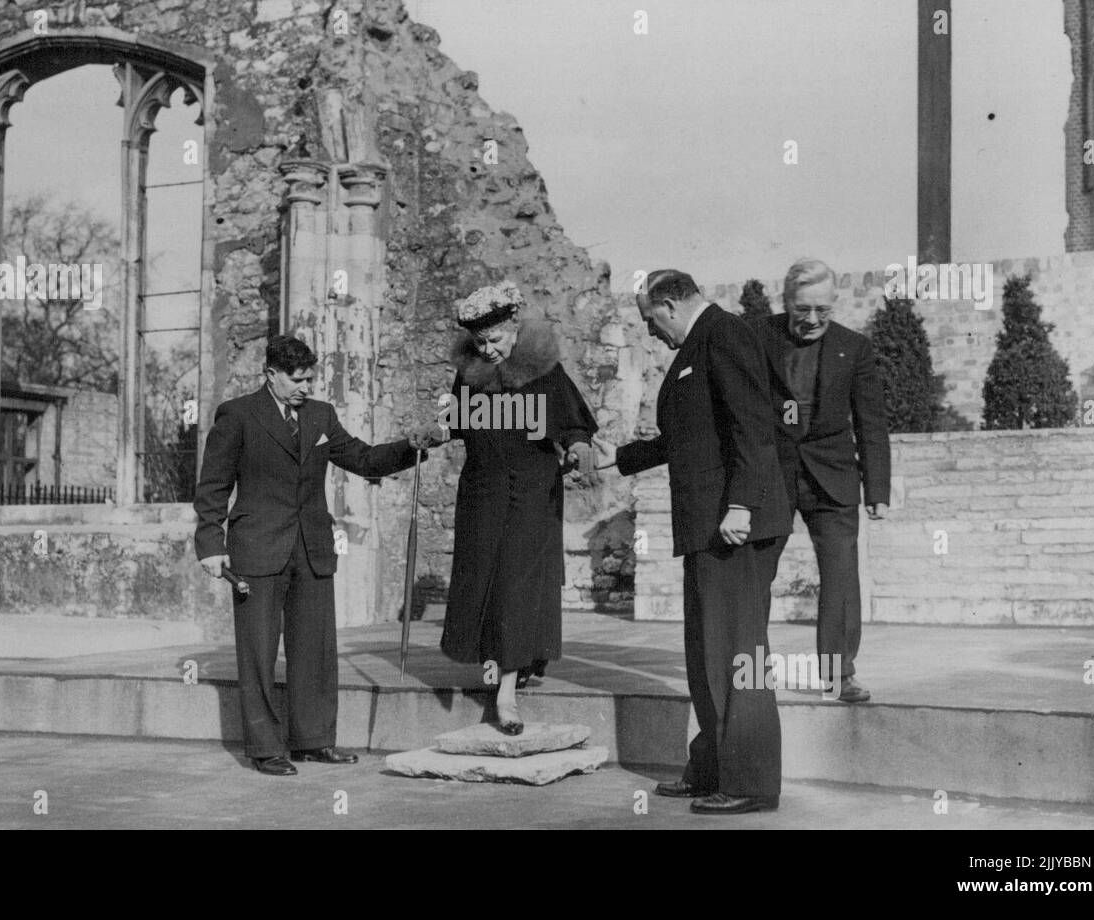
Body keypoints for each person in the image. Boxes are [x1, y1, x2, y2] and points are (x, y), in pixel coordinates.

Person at [194, 335, 441, 776]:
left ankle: (313, 741)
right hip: (257, 549)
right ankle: (266, 748)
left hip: (311, 549)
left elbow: (365, 460)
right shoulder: (238, 415)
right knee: (258, 653)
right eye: (296, 378)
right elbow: (213, 485)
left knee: (315, 650)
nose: (305, 386)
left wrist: (412, 444)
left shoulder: (322, 415)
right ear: (271, 374)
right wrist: (211, 545)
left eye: (310, 378)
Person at [594, 269, 792, 815]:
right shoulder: (699, 345)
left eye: (649, 320)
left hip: (734, 524)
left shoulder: (723, 334)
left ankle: (751, 781)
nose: (649, 332)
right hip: (709, 527)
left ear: (669, 303)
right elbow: (694, 434)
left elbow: (753, 425)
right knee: (708, 652)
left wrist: (743, 504)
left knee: (737, 653)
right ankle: (712, 769)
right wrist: (624, 457)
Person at [438, 281, 598, 735]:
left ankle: (505, 696)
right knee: (486, 581)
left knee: (517, 585)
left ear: (514, 328)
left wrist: (578, 446)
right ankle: (508, 663)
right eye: (480, 342)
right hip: (482, 493)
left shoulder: (545, 370)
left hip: (531, 492)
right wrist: (432, 431)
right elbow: (454, 423)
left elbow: (573, 424)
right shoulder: (470, 372)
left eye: (496, 339)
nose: (489, 349)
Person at [749, 259, 890, 702]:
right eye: (802, 310)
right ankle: (752, 670)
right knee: (754, 574)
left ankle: (838, 675)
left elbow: (871, 421)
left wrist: (877, 489)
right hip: (770, 474)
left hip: (833, 477)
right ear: (785, 301)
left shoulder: (855, 347)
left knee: (841, 575)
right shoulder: (755, 337)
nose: (812, 320)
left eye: (822, 311)